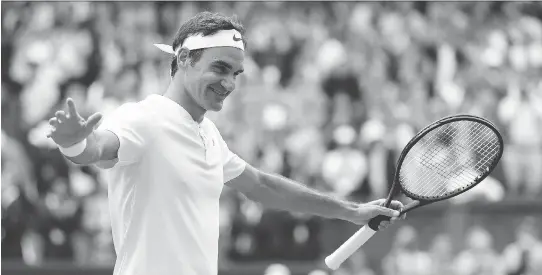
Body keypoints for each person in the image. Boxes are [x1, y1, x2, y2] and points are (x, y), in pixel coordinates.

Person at [46, 12, 405, 275]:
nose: (230, 84)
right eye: (220, 69)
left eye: (236, 73)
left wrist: (351, 212)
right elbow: (98, 150)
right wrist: (74, 144)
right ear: (184, 59)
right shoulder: (144, 118)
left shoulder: (208, 134)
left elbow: (263, 186)